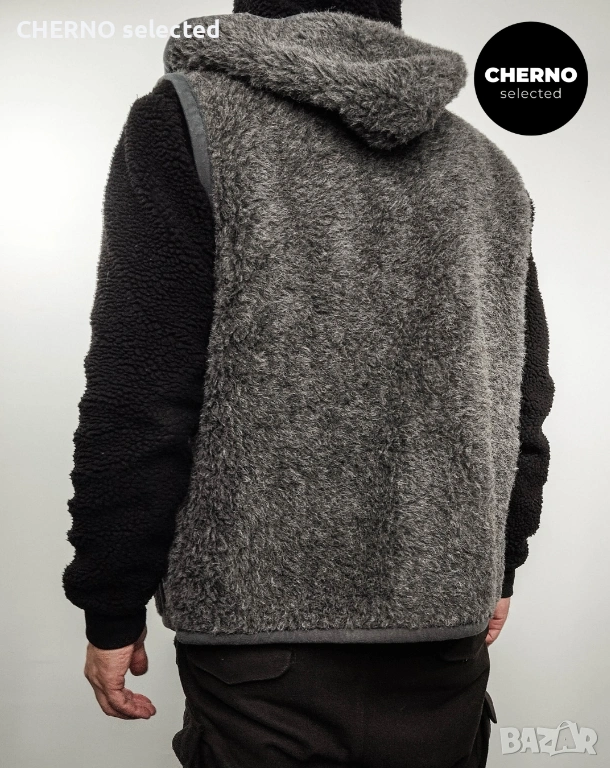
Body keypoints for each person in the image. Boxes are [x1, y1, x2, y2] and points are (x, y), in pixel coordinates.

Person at [62, 1, 554, 766]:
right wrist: (500, 561)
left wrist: (111, 601)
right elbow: (524, 398)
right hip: (443, 640)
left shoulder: (189, 121)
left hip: (257, 649)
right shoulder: (487, 167)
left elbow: (140, 390)